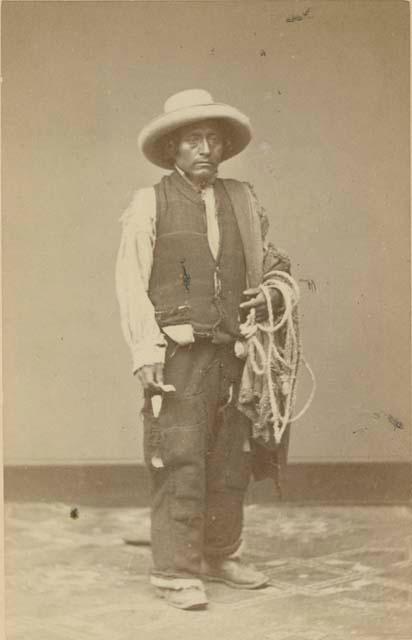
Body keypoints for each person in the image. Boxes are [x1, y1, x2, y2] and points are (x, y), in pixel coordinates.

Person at [116, 89, 294, 610]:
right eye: (194, 139)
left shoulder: (244, 200)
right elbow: (131, 283)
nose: (206, 149)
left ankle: (220, 554)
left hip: (236, 353)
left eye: (213, 139)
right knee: (181, 458)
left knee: (231, 459)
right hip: (180, 356)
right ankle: (175, 571)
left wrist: (272, 291)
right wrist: (145, 354)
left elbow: (276, 264)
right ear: (172, 147)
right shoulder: (150, 202)